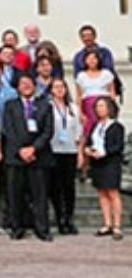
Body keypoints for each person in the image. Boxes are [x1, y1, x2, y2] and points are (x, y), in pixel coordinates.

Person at [2, 74, 54, 241]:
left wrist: (33, 149)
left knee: (40, 195)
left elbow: (48, 131)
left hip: (39, 156)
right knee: (15, 194)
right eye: (22, 83)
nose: (26, 86)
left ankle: (42, 229)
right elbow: (8, 130)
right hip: (15, 157)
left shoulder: (45, 105)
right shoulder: (10, 105)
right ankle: (17, 228)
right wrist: (21, 151)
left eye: (29, 83)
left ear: (35, 86)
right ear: (17, 87)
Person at [82, 97, 125, 240]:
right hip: (97, 163)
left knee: (113, 193)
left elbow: (118, 145)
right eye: (97, 106)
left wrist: (104, 153)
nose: (99, 109)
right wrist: (88, 150)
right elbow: (89, 141)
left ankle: (117, 225)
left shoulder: (116, 126)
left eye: (102, 106)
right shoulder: (96, 125)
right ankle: (107, 223)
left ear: (110, 108)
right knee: (102, 193)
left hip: (110, 163)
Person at [48, 78, 81, 236]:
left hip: (70, 150)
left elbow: (78, 132)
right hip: (54, 150)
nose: (59, 89)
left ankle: (69, 218)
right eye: (56, 87)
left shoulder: (73, 108)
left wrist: (80, 152)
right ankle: (60, 217)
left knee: (69, 187)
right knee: (56, 186)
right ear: (51, 90)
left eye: (62, 86)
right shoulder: (49, 107)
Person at [74, 50, 116, 136]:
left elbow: (112, 92)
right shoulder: (81, 76)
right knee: (88, 131)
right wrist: (80, 113)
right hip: (88, 106)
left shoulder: (106, 74)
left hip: (105, 104)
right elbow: (79, 96)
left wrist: (113, 108)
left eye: (94, 58)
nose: (92, 60)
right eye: (89, 58)